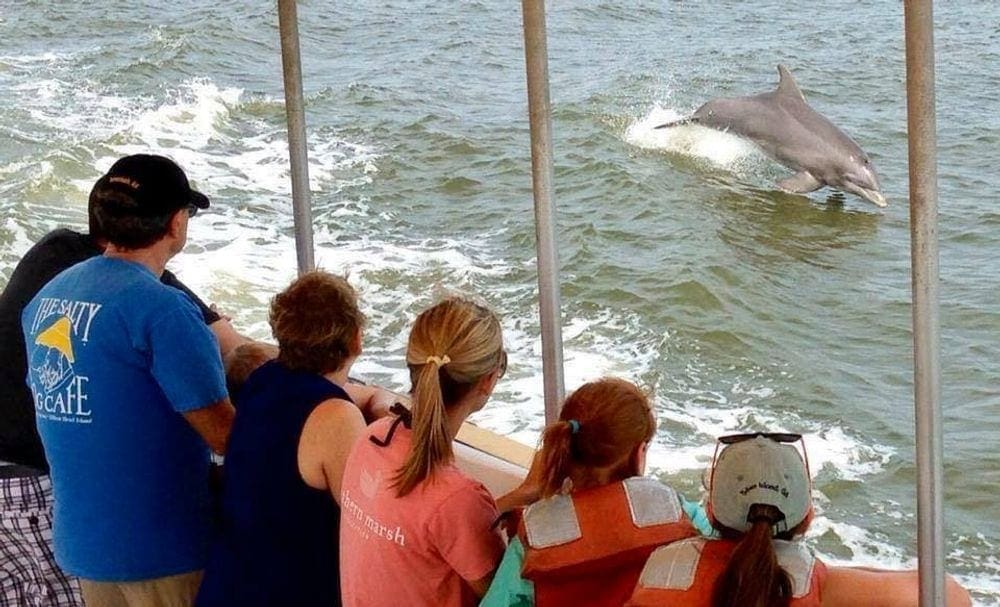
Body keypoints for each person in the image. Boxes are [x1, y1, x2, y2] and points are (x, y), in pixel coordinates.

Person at [0, 158, 244, 606]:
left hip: (86, 547)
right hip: (162, 549)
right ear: (175, 222)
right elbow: (226, 434)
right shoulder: (164, 310)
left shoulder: (46, 301)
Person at [196, 271, 396, 607]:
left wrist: (377, 399)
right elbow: (369, 523)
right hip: (287, 589)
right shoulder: (335, 416)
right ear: (356, 340)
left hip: (231, 581)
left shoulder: (265, 379)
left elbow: (349, 393)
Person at [627, 432, 973, 607]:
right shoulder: (817, 584)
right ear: (807, 515)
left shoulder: (662, 567)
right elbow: (951, 595)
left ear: (712, 509)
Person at [339, 296, 509, 607]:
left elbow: (428, 523)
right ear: (488, 381)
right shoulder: (459, 499)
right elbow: (506, 597)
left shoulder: (373, 440)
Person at [481, 378, 700, 607]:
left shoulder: (534, 536)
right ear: (639, 453)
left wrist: (526, 492)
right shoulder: (679, 511)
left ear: (564, 446)